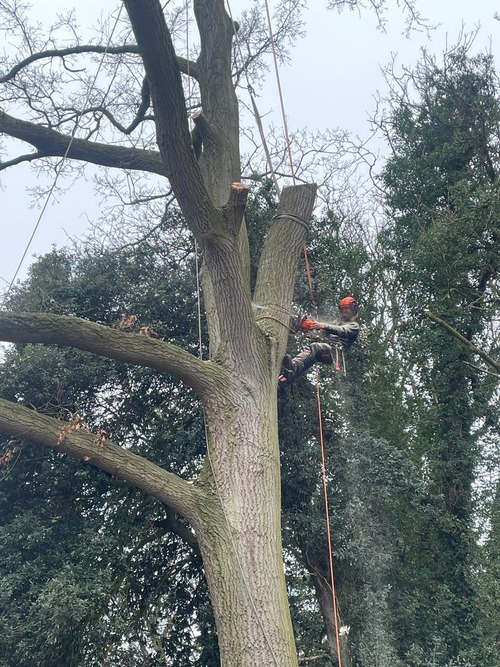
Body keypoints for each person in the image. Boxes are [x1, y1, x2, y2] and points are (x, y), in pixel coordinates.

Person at [279, 296, 359, 385]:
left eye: (347, 309)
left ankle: (293, 366)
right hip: (325, 349)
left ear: (353, 309)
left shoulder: (354, 326)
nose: (344, 311)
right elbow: (325, 330)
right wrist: (310, 325)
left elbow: (341, 330)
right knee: (309, 357)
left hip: (334, 353)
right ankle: (290, 375)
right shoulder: (337, 323)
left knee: (315, 347)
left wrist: (323, 326)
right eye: (343, 309)